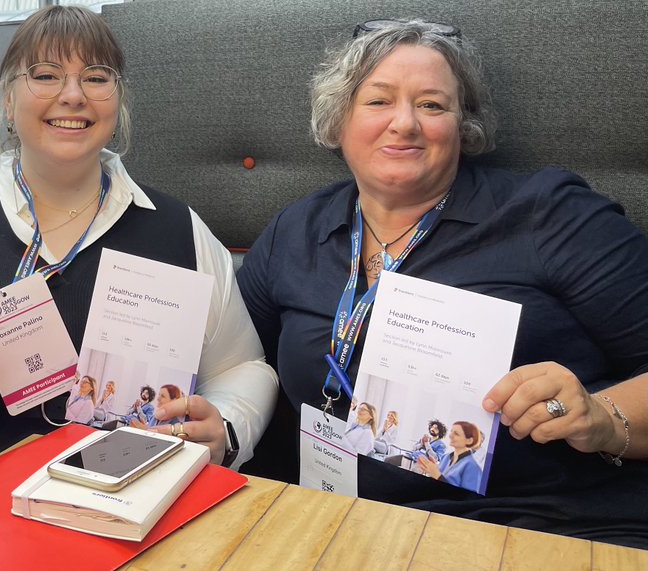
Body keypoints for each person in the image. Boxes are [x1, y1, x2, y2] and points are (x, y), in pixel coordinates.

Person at [237, 18, 648, 547]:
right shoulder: (295, 231)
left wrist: (605, 419)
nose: (405, 123)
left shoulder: (551, 215)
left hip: (546, 525)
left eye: (432, 105)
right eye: (378, 101)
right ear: (338, 121)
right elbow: (241, 363)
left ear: (463, 126)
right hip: (340, 522)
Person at [0, 6, 277, 469]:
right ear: (7, 99)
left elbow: (242, 367)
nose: (73, 95)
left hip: (140, 522)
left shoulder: (178, 230)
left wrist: (223, 426)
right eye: (45, 75)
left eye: (97, 78)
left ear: (117, 101)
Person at [418, 421, 485, 493]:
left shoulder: (472, 467)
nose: (450, 436)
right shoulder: (446, 457)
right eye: (451, 431)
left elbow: (466, 500)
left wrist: (438, 476)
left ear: (469, 441)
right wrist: (432, 471)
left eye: (456, 433)